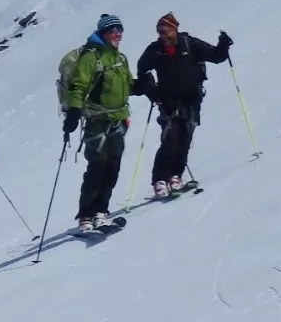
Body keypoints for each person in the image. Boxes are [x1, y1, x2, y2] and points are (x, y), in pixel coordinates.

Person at [136, 12, 232, 197]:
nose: (162, 36)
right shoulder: (155, 50)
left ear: (174, 29)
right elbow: (142, 70)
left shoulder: (190, 44)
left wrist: (223, 45)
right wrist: (153, 91)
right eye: (159, 32)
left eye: (165, 31)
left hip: (191, 99)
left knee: (185, 139)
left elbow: (216, 56)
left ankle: (175, 176)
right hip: (168, 101)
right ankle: (160, 180)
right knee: (170, 140)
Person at [62, 14, 141, 232]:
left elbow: (127, 85)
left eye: (120, 29)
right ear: (103, 33)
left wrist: (143, 86)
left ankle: (101, 212)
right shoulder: (91, 57)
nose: (118, 34)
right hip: (98, 121)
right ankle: (86, 217)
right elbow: (78, 86)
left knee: (112, 168)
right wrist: (74, 112)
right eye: (113, 30)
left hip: (118, 120)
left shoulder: (120, 58)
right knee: (97, 168)